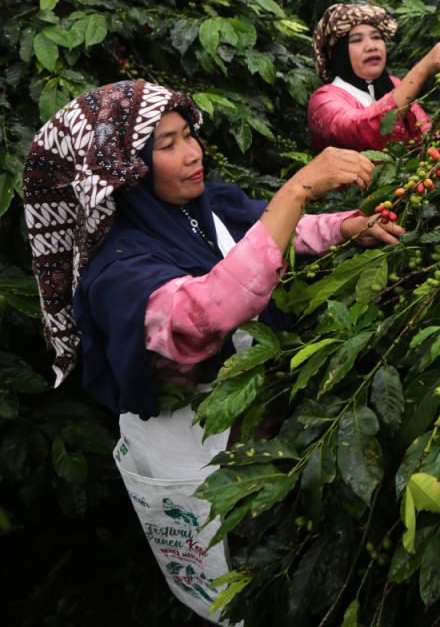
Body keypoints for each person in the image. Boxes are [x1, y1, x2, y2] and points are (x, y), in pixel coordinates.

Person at [22, 81, 405, 620]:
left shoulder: (200, 209)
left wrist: (344, 227)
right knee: (234, 580)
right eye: (168, 144)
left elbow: (262, 234)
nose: (193, 153)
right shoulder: (118, 270)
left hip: (263, 439)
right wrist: (296, 190)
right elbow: (206, 313)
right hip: (202, 457)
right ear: (125, 169)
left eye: (189, 136)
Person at [308, 2, 440, 151]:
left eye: (376, 37)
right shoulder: (323, 100)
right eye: (356, 40)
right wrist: (422, 69)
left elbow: (425, 130)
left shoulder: (393, 83)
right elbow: (363, 129)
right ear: (339, 53)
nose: (372, 46)